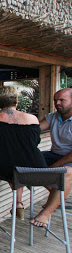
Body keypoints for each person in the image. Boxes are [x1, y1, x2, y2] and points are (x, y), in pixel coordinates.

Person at [0, 86, 47, 220]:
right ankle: (18, 202)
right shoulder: (32, 118)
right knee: (18, 167)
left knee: (12, 166)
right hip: (35, 166)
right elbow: (36, 141)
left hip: (4, 165)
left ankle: (18, 203)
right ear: (16, 100)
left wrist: (3, 139)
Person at [35, 88, 72, 227]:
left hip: (70, 159)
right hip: (54, 154)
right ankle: (57, 197)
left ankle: (46, 213)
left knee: (66, 172)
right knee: (28, 162)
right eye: (55, 100)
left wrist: (54, 167)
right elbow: (36, 129)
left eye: (62, 100)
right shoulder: (53, 116)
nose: (57, 103)